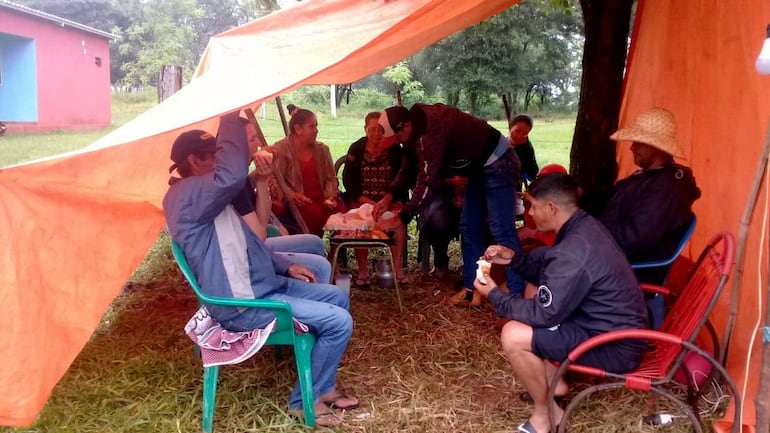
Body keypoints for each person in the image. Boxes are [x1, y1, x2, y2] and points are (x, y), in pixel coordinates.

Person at [162, 114, 357, 427]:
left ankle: (322, 387)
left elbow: (252, 243)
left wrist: (286, 264)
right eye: (215, 157)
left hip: (262, 286)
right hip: (241, 305)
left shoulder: (209, 198)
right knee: (338, 321)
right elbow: (230, 175)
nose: (223, 164)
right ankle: (301, 403)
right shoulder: (185, 196)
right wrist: (230, 114)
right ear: (194, 162)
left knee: (336, 298)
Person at [474, 173, 648, 433]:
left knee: (513, 334)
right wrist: (514, 260)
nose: (530, 213)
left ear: (551, 208)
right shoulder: (584, 227)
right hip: (609, 329)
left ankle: (546, 418)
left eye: (533, 206)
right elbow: (554, 276)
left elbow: (545, 314)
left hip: (613, 345)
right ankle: (557, 385)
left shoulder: (575, 249)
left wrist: (495, 294)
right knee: (528, 308)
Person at [376, 103, 525, 306]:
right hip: (478, 168)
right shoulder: (414, 132)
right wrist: (389, 196)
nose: (397, 143)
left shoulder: (430, 134)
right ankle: (473, 290)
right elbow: (409, 165)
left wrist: (403, 217)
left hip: (499, 161)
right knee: (469, 227)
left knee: (502, 231)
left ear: (407, 126)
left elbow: (427, 181)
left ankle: (516, 300)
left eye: (397, 138)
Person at [599, 107, 701, 285]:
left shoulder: (667, 187)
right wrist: (579, 196)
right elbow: (611, 197)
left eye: (639, 142)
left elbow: (635, 240)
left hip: (625, 271)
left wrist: (588, 235)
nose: (632, 147)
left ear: (657, 146)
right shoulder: (647, 177)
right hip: (609, 254)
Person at [232, 119, 332, 284]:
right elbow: (259, 234)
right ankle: (313, 294)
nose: (258, 143)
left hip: (256, 242)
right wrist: (277, 223)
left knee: (315, 242)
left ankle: (316, 289)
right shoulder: (231, 183)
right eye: (252, 139)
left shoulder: (240, 174)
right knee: (321, 266)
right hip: (249, 250)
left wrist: (261, 175)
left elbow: (250, 185)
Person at [342, 112, 409, 287]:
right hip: (362, 201)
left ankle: (397, 269)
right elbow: (349, 181)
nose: (376, 134)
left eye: (380, 130)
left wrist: (388, 199)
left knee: (398, 222)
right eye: (372, 129)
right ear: (365, 130)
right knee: (361, 222)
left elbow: (402, 179)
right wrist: (368, 202)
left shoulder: (394, 149)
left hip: (390, 199)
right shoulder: (356, 148)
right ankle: (363, 271)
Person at [271, 109, 345, 236]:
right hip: (297, 203)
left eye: (316, 126)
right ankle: (315, 250)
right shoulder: (281, 150)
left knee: (345, 216)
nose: (316, 130)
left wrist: (330, 196)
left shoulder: (322, 149)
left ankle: (336, 250)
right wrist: (292, 194)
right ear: (298, 129)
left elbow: (331, 178)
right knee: (313, 216)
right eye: (312, 126)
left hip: (322, 200)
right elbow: (272, 181)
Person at [509, 114, 539, 184]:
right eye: (518, 131)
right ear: (510, 127)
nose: (520, 136)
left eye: (525, 134)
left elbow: (532, 173)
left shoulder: (527, 150)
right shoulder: (499, 142)